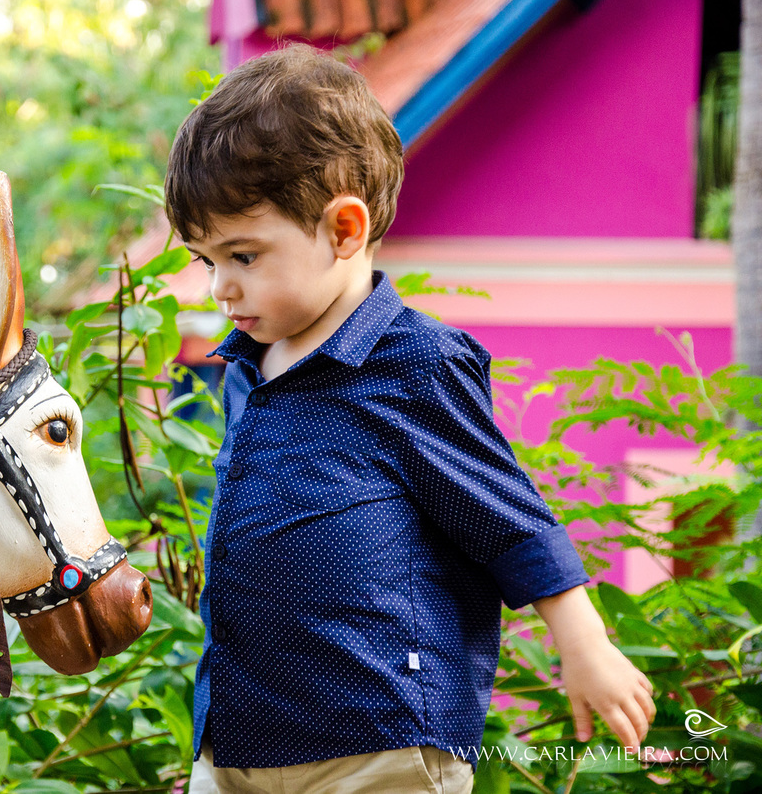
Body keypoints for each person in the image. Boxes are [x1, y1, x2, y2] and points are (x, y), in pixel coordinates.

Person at [164, 44, 657, 794]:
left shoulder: (414, 363)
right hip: (240, 738)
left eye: (242, 253)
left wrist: (583, 642)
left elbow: (508, 516)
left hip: (378, 741)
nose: (220, 287)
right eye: (206, 260)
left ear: (344, 229)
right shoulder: (245, 370)